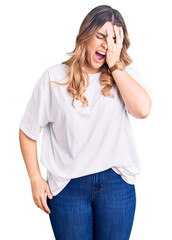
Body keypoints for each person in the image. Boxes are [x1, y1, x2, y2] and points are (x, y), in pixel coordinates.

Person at [19, 4, 153, 240]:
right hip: (68, 187)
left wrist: (114, 65)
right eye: (100, 36)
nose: (105, 44)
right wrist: (35, 178)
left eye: (113, 39)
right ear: (85, 35)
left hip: (116, 184)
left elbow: (142, 110)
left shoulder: (124, 73)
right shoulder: (54, 77)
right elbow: (28, 131)